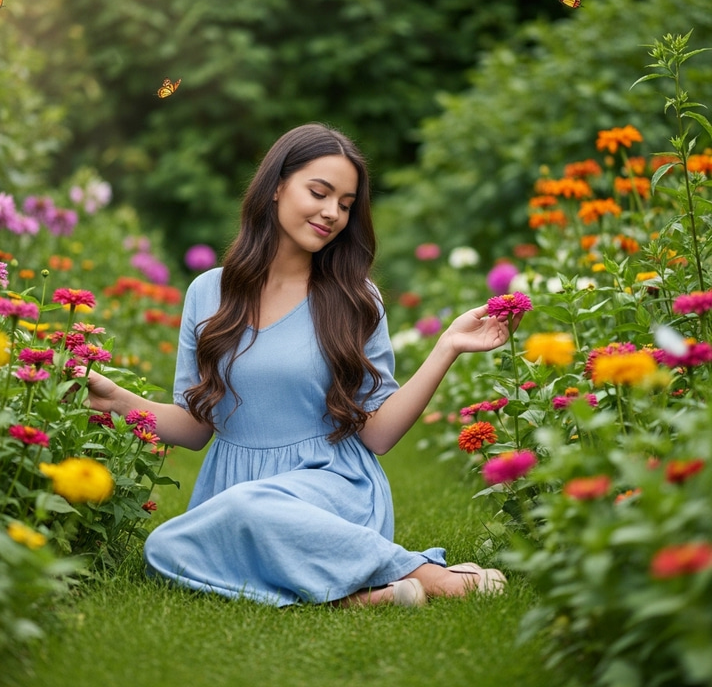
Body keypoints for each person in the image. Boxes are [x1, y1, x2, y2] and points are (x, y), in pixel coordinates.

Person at [84, 123, 513, 607]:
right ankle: (352, 595)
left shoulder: (354, 299)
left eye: (346, 204)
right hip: (233, 492)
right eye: (320, 192)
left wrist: (447, 347)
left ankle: (422, 573)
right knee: (164, 549)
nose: (332, 213)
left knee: (250, 507)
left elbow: (377, 435)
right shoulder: (207, 293)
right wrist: (117, 400)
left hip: (332, 488)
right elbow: (196, 428)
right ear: (275, 188)